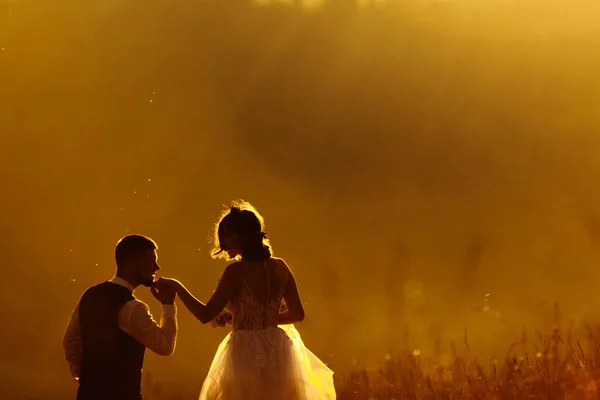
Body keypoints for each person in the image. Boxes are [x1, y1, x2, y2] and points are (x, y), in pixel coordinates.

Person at [156, 200, 336, 399]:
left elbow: (205, 315)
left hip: (245, 350)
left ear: (244, 236)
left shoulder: (235, 272)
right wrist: (263, 319)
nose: (222, 243)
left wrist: (177, 287)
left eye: (227, 235)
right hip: (279, 348)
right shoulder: (280, 267)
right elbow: (297, 314)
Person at [63, 234, 178, 400]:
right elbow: (165, 347)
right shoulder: (133, 308)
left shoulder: (90, 295)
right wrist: (168, 304)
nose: (156, 267)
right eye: (151, 261)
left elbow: (70, 340)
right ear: (133, 264)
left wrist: (88, 379)